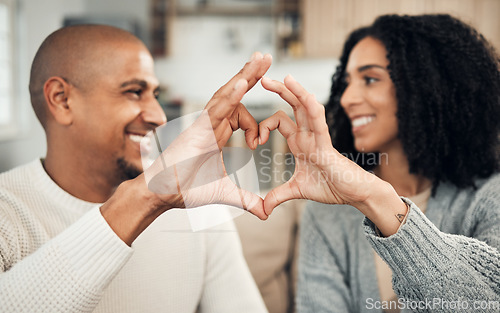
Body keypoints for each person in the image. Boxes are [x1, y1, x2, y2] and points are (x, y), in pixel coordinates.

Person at [0, 24, 272, 312]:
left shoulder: (200, 205)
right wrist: (147, 197)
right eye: (134, 92)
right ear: (62, 100)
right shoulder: (7, 212)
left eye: (154, 94)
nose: (158, 115)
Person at [257, 14, 500, 312]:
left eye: (370, 79)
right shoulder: (325, 215)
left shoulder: (490, 199)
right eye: (346, 83)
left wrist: (377, 199)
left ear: (425, 87)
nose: (346, 98)